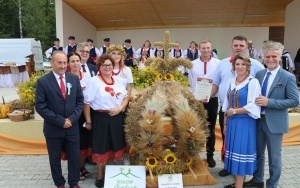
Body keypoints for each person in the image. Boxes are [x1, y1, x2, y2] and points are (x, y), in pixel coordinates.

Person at [244, 41, 299, 188]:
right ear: (263, 57)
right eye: (267, 56)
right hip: (258, 121)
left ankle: (272, 184)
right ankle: (257, 180)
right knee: (258, 154)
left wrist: (270, 102)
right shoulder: (260, 74)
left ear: (280, 57)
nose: (270, 59)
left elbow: (295, 101)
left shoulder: (288, 77)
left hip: (275, 123)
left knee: (274, 157)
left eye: (274, 56)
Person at [211, 35, 264, 177]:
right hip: (227, 110)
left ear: (247, 47)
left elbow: (260, 87)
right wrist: (205, 96)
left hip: (246, 114)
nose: (238, 48)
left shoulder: (256, 65)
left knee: (243, 143)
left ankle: (245, 171)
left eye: (241, 45)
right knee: (228, 139)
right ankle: (229, 166)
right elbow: (215, 84)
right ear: (231, 47)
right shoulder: (222, 63)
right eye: (236, 45)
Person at [35, 51, 83, 188]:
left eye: (64, 63)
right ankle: (59, 183)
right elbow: (40, 106)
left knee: (74, 157)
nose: (62, 66)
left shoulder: (74, 79)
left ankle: (74, 182)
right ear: (52, 63)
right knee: (54, 158)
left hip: (72, 127)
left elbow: (80, 101)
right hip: (53, 128)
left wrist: (72, 119)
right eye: (59, 62)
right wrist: (61, 121)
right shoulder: (43, 82)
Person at [83, 54, 129, 188]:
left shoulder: (118, 80)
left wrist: (120, 107)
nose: (107, 67)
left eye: (109, 65)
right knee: (101, 147)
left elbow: (126, 97)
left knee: (114, 146)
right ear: (99, 66)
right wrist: (88, 121)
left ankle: (109, 173)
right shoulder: (94, 81)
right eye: (104, 65)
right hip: (101, 119)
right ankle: (100, 175)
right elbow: (86, 103)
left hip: (117, 119)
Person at [222, 54, 261, 188]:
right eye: (237, 64)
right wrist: (225, 123)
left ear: (248, 66)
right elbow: (226, 104)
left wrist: (234, 111)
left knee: (241, 154)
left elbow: (253, 106)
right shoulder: (231, 81)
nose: (240, 67)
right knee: (234, 154)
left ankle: (239, 186)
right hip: (232, 123)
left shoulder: (252, 82)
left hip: (245, 122)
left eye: (243, 64)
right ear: (234, 66)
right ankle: (238, 184)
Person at [188, 39, 220, 168]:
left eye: (208, 48)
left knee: (210, 128)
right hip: (197, 100)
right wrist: (195, 97)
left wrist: (209, 95)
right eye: (203, 48)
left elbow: (218, 82)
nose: (206, 50)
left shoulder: (218, 64)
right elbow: (191, 83)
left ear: (211, 48)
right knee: (194, 127)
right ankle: (194, 155)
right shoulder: (192, 64)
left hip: (212, 100)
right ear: (199, 49)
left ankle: (210, 155)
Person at [66, 52, 93, 181]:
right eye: (72, 61)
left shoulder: (86, 76)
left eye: (77, 61)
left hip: (85, 114)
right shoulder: (65, 78)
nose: (76, 63)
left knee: (83, 143)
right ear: (68, 63)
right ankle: (75, 169)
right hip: (71, 115)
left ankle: (81, 166)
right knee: (73, 144)